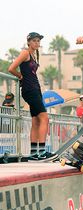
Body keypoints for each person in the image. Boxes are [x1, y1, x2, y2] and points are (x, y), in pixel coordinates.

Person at [8, 32, 51, 160]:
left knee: (36, 121)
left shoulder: (33, 54)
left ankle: (33, 154)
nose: (37, 43)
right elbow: (11, 68)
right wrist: (20, 76)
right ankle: (42, 152)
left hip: (35, 89)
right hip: (29, 89)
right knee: (44, 118)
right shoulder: (25, 53)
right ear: (29, 42)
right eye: (34, 41)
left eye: (38, 41)